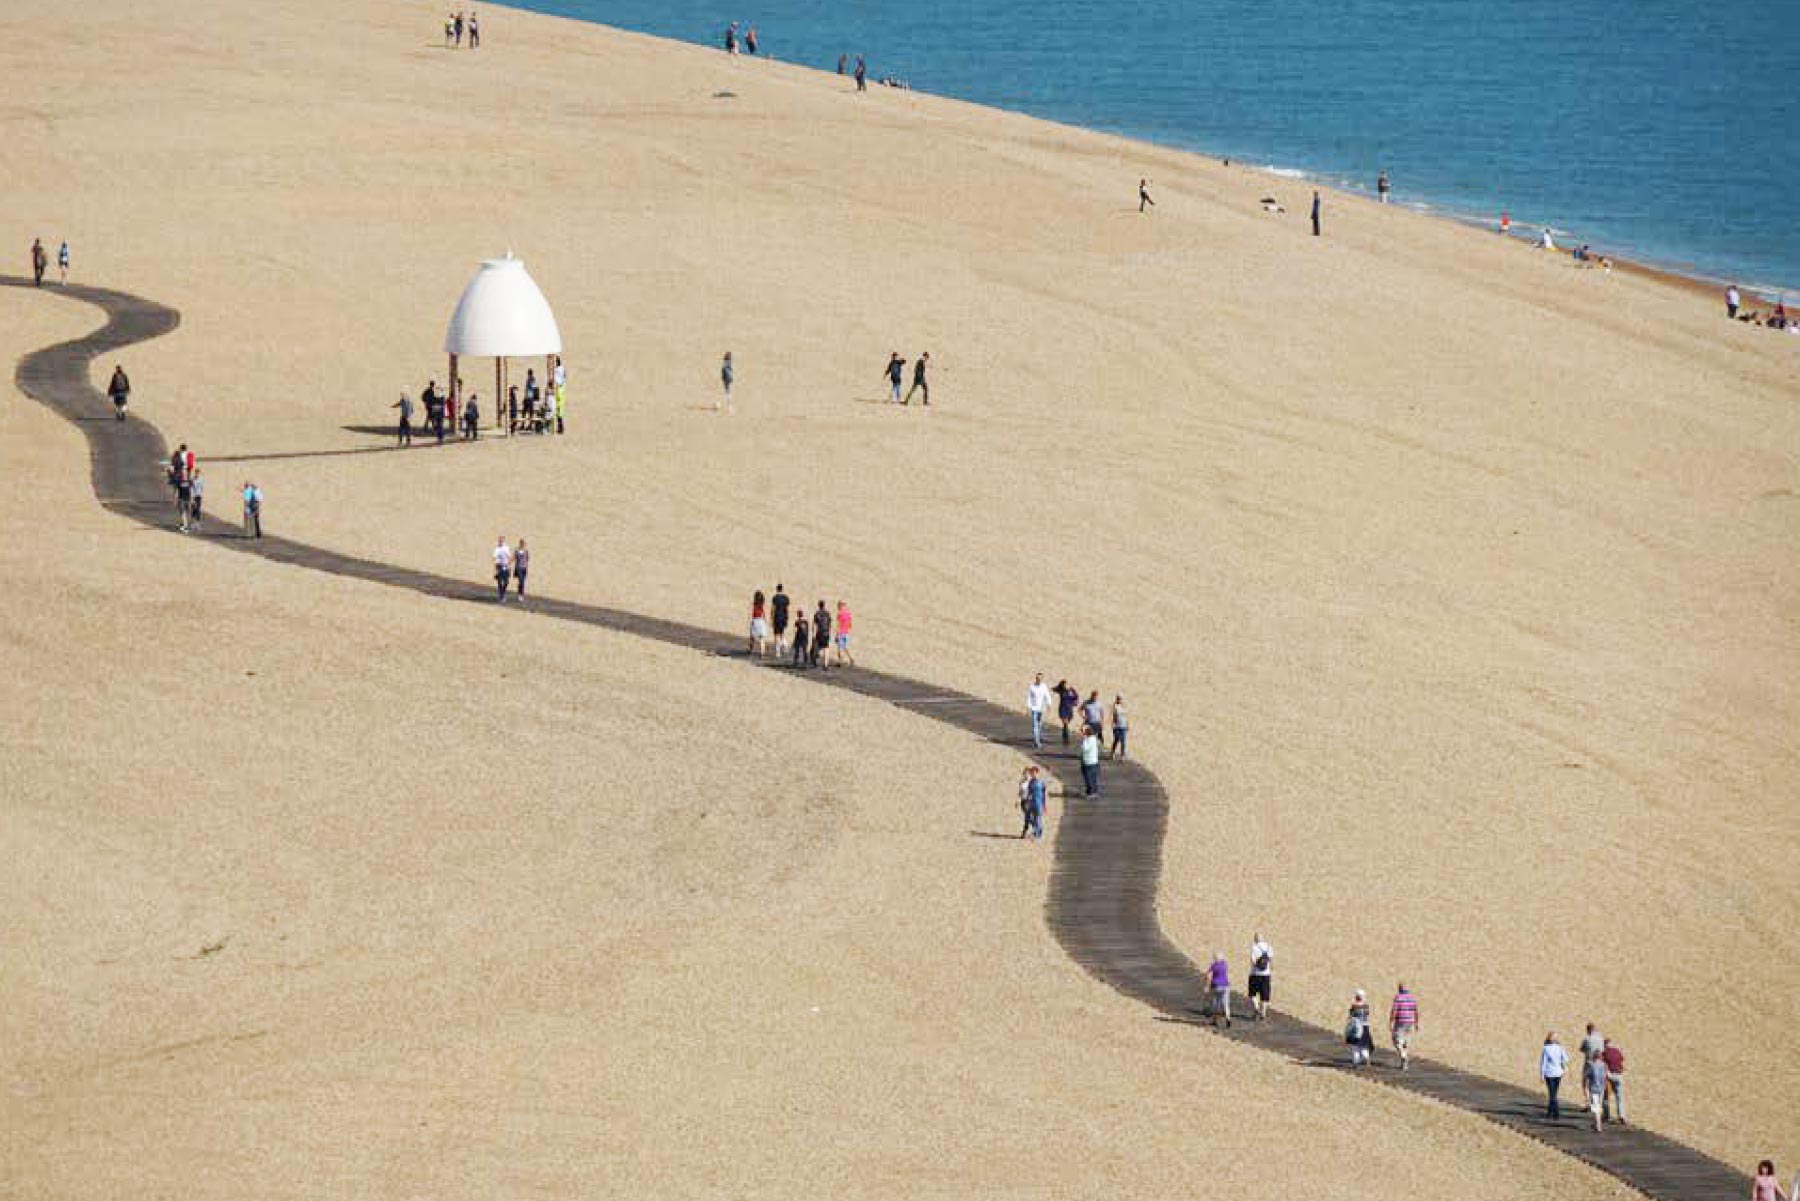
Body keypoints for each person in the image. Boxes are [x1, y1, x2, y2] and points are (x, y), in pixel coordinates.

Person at [1540, 1032, 1570, 1119]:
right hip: (1558, 1073)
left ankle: (1555, 1113)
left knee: (1552, 1094)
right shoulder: (1560, 1048)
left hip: (1549, 1073)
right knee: (1554, 1093)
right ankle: (1551, 1112)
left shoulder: (1546, 1048)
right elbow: (1566, 1059)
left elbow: (1543, 1063)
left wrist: (1542, 1075)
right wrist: (1562, 1065)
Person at [1390, 983, 1419, 1069]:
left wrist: (1391, 1021)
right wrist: (1416, 1023)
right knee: (1406, 1041)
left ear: (1400, 989)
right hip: (1410, 1022)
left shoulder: (1398, 997)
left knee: (1396, 1040)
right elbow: (1415, 1011)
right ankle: (1404, 1064)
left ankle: (1403, 1056)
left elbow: (1394, 1010)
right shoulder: (1412, 998)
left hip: (1400, 1022)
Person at [1345, 990, 1374, 1066]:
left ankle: (1355, 1062)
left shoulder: (1354, 1006)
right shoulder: (1366, 1006)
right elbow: (1367, 1014)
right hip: (1365, 1027)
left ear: (1356, 997)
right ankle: (1367, 1059)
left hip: (1356, 1028)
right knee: (1364, 1045)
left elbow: (1351, 1016)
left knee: (1355, 1046)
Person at [1601, 1038, 1626, 1124]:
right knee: (1619, 1097)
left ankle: (1606, 1115)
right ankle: (1621, 1116)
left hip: (1609, 1075)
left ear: (1605, 1044)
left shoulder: (1604, 1053)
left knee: (1606, 1096)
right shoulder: (1617, 1051)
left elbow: (1602, 1064)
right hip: (1619, 1075)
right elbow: (1622, 1060)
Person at [1247, 933, 1272, 1020]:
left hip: (1255, 974)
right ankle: (1263, 1013)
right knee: (1265, 995)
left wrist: (1257, 966)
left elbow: (1253, 961)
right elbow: (1270, 959)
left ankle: (1256, 1008)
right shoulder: (1269, 947)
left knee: (1252, 993)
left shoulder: (1254, 947)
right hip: (1266, 974)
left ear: (1255, 939)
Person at [1583, 1050, 1607, 1132]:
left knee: (1595, 1108)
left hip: (1593, 1088)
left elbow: (1586, 1076)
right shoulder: (1603, 1065)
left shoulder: (1591, 1065)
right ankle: (1595, 1123)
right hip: (1602, 1088)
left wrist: (1585, 1087)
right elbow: (1605, 1076)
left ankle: (1598, 1125)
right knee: (1599, 1106)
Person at [1026, 673, 1052, 748]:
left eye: (1040, 678)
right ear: (1036, 678)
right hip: (1034, 708)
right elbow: (1029, 697)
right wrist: (1028, 707)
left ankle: (1037, 738)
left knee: (1039, 725)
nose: (1039, 680)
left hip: (1041, 708)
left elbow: (1047, 695)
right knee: (1035, 725)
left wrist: (1049, 704)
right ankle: (1036, 741)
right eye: (1038, 678)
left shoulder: (1044, 686)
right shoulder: (1032, 687)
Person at [1206, 953, 1231, 1028]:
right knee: (1225, 1004)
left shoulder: (1214, 966)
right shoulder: (1224, 964)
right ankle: (1228, 1019)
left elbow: (1208, 975)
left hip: (1216, 986)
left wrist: (1207, 986)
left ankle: (1215, 1021)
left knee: (1215, 1004)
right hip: (1226, 986)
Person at [1078, 725, 1101, 797]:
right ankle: (1092, 791)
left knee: (1089, 778)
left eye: (1082, 731)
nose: (1081, 733)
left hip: (1089, 762)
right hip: (1093, 761)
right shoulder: (1093, 738)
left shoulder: (1089, 739)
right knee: (1093, 778)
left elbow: (1085, 748)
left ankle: (1091, 793)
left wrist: (1084, 739)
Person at [1054, 679, 1078, 745]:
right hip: (1063, 709)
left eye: (1066, 684)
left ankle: (1064, 734)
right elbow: (1055, 689)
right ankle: (1066, 739)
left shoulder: (1071, 690)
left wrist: (1075, 703)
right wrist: (1057, 687)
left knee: (1067, 722)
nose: (1065, 685)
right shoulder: (1061, 690)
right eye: (1064, 684)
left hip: (1069, 709)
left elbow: (1076, 697)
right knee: (1066, 723)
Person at [771, 584, 791, 657]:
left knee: (776, 634)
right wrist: (787, 617)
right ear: (782, 589)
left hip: (777, 617)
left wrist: (771, 618)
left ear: (777, 589)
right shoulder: (786, 598)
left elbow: (773, 609)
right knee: (782, 633)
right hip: (783, 617)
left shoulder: (775, 598)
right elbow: (787, 609)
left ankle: (777, 652)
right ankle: (785, 646)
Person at [811, 600, 831, 669]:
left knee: (817, 647)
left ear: (819, 605)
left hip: (819, 632)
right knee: (826, 648)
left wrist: (813, 634)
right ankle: (825, 664)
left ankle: (815, 662)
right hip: (826, 632)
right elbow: (829, 624)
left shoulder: (817, 613)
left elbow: (814, 625)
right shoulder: (827, 613)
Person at [492, 536, 512, 602]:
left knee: (506, 582)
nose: (501, 542)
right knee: (500, 582)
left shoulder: (506, 548)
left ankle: (503, 592)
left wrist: (509, 566)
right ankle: (501, 596)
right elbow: (494, 558)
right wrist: (495, 569)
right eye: (500, 540)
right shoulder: (496, 549)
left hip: (506, 566)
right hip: (499, 566)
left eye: (502, 540)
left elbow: (509, 557)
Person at [833, 599, 854, 665]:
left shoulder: (840, 614)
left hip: (841, 632)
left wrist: (836, 634)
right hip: (846, 632)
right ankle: (851, 658)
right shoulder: (848, 613)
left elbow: (838, 624)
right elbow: (850, 624)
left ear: (840, 605)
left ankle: (840, 661)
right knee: (845, 647)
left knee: (839, 648)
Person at [750, 589, 769, 656]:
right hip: (761, 621)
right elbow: (764, 614)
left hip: (755, 620)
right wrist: (765, 621)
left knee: (752, 637)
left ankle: (751, 649)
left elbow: (752, 614)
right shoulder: (762, 605)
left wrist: (751, 621)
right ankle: (762, 652)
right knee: (762, 638)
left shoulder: (754, 605)